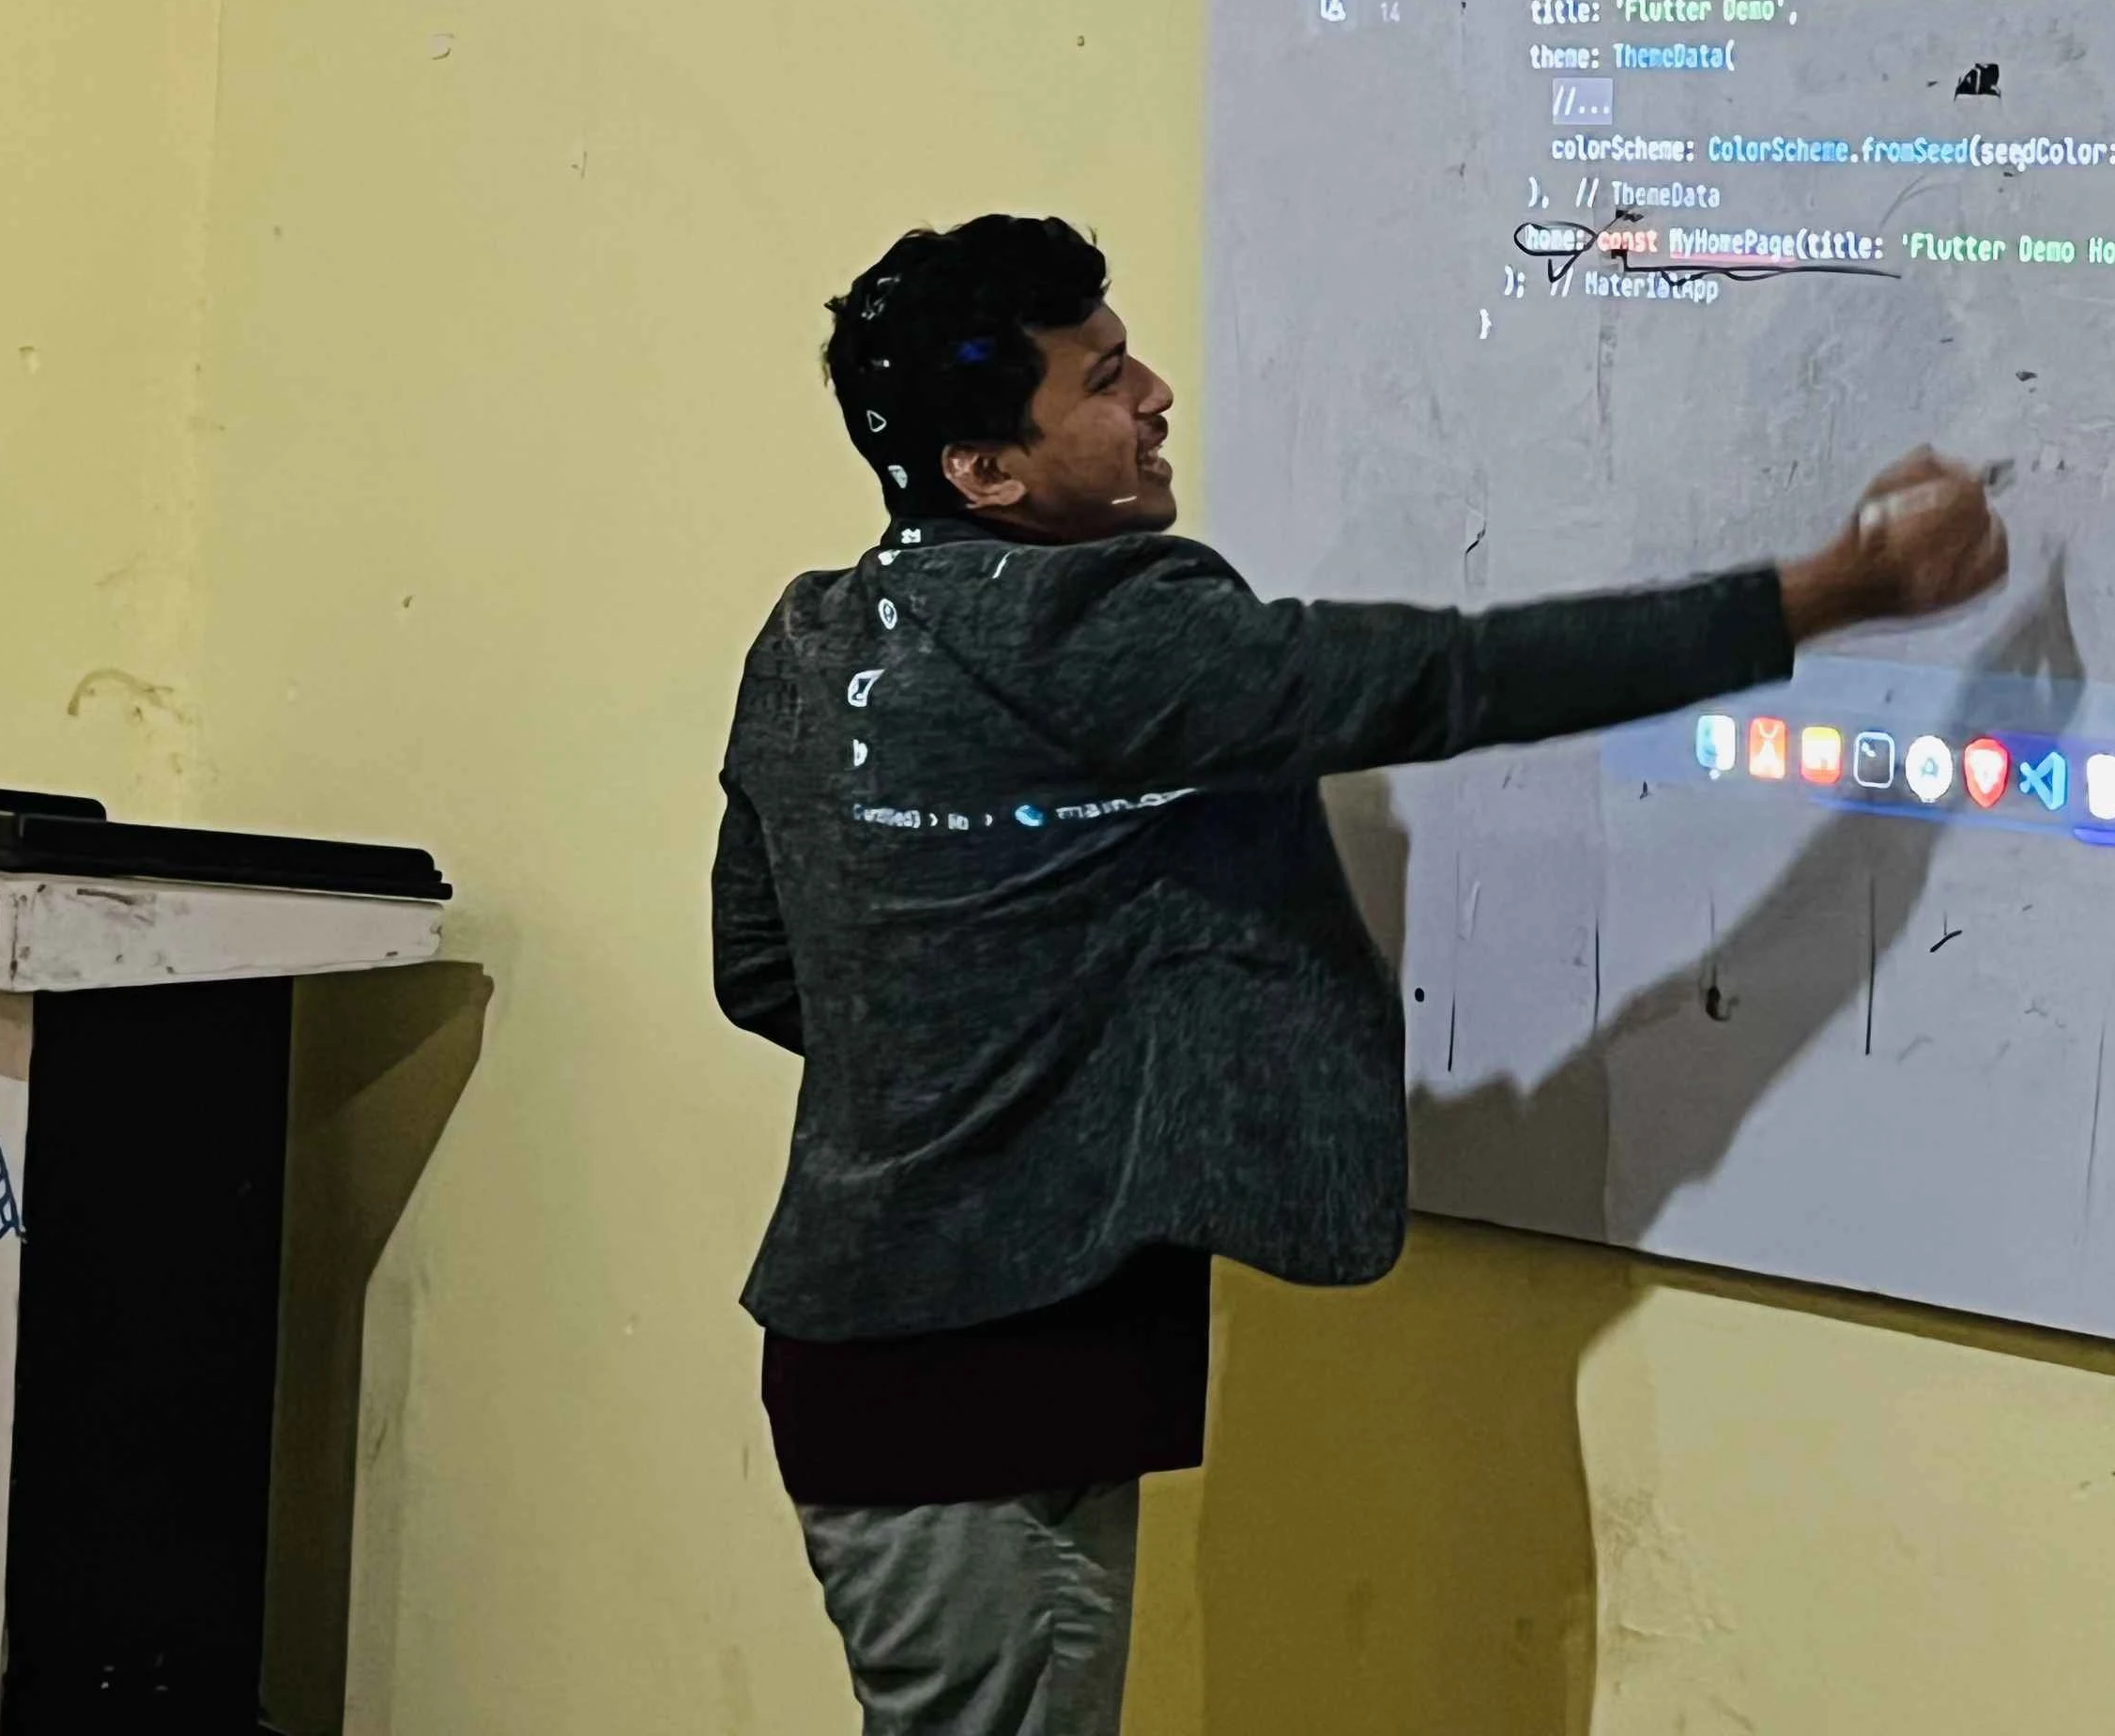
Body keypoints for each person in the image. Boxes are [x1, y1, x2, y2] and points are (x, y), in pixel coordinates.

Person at [712, 212, 2007, 1734]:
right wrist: (1829, 593)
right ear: (986, 471)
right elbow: (1443, 679)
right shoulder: (1089, 624)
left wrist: (995, 1046)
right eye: (1105, 382)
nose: (1157, 397)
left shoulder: (812, 637)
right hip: (991, 1378)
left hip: (872, 1354)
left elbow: (762, 968)